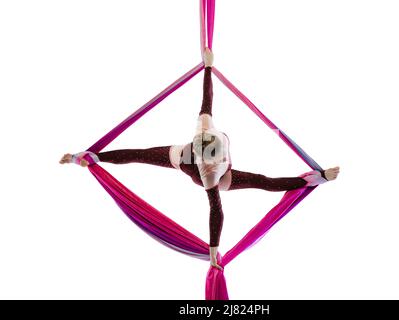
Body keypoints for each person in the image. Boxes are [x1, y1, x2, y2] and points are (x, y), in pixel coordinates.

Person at [60, 49, 340, 270]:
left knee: (265, 183)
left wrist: (208, 66)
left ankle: (317, 179)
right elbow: (214, 209)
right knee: (140, 155)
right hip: (186, 162)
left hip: (213, 167)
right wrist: (213, 248)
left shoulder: (206, 130)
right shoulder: (205, 168)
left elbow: (207, 97)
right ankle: (88, 158)